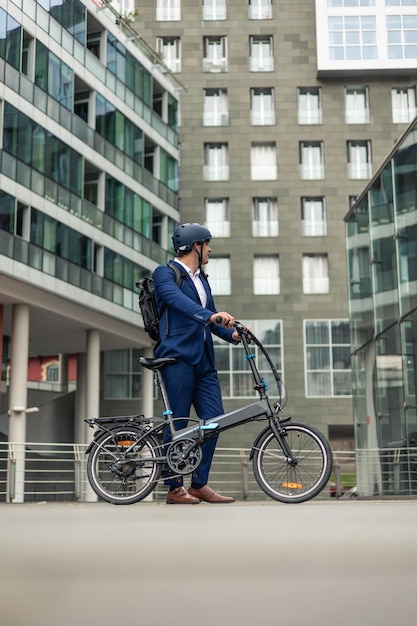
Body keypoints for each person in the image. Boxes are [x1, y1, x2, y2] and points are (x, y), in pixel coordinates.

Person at [153, 223, 241, 504]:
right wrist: (208, 317)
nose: (210, 250)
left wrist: (234, 333)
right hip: (177, 357)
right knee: (177, 423)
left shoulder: (202, 280)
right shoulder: (165, 273)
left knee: (215, 420)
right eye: (208, 244)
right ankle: (173, 487)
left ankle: (198, 484)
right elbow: (176, 301)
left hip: (204, 360)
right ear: (195, 246)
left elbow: (212, 317)